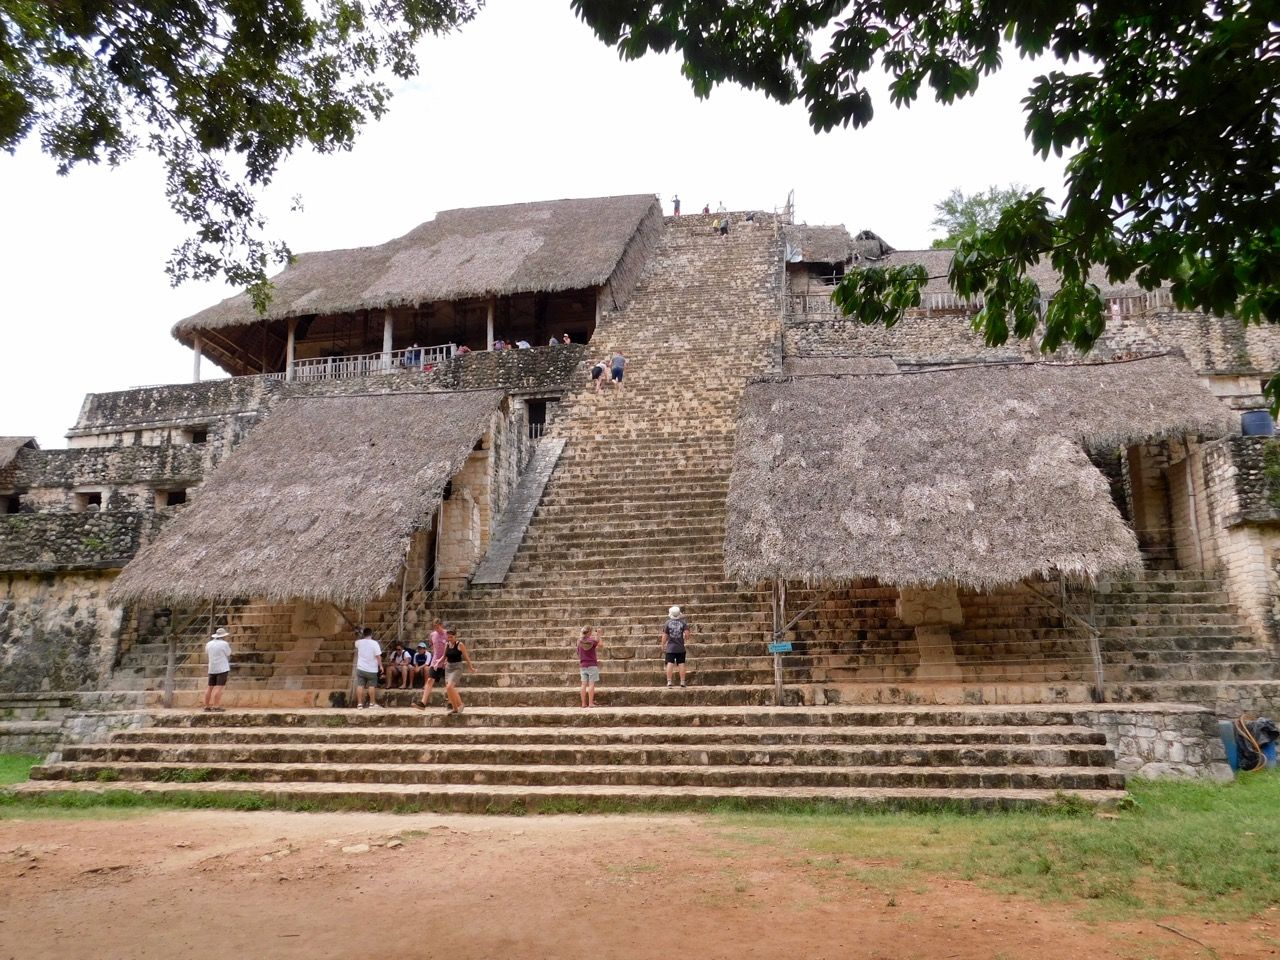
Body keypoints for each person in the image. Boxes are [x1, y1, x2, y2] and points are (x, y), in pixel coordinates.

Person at [412, 621, 449, 709]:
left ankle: (451, 703)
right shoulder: (432, 635)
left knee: (448, 683)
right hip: (435, 661)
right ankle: (423, 703)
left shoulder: (447, 634)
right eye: (435, 627)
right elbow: (432, 646)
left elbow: (451, 646)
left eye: (438, 626)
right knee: (429, 680)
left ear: (441, 625)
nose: (436, 629)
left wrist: (447, 659)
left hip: (446, 661)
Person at [443, 629, 475, 714]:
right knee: (449, 688)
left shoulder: (460, 644)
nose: (450, 638)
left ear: (455, 636)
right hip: (448, 667)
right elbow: (445, 656)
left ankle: (460, 704)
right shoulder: (446, 644)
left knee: (450, 686)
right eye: (448, 637)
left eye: (451, 637)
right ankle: (455, 708)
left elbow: (466, 657)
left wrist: (471, 667)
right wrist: (440, 662)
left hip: (457, 667)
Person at [203, 627, 232, 712]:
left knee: (209, 687)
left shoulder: (209, 644)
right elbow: (228, 653)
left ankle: (206, 706)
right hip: (222, 668)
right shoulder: (224, 644)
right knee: (219, 688)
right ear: (223, 636)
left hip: (212, 668)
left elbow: (206, 652)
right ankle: (216, 706)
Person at [353, 627, 383, 709]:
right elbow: (378, 656)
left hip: (361, 668)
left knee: (360, 685)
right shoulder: (374, 643)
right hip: (371, 669)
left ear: (363, 634)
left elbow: (357, 642)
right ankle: (372, 703)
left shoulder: (359, 642)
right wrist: (381, 666)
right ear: (371, 634)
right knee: (371, 686)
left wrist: (359, 635)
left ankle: (359, 704)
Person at [662, 605, 690, 688]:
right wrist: (685, 636)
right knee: (681, 664)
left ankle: (669, 682)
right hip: (680, 647)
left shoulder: (667, 623)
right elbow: (687, 635)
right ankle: (682, 682)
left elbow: (665, 635)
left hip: (670, 648)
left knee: (670, 663)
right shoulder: (683, 623)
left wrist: (662, 644)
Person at [577, 627, 602, 708]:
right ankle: (590, 703)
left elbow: (578, 653)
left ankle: (583, 703)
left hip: (583, 665)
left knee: (583, 684)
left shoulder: (579, 642)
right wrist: (599, 634)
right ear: (589, 632)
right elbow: (600, 644)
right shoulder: (592, 641)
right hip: (592, 665)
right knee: (591, 684)